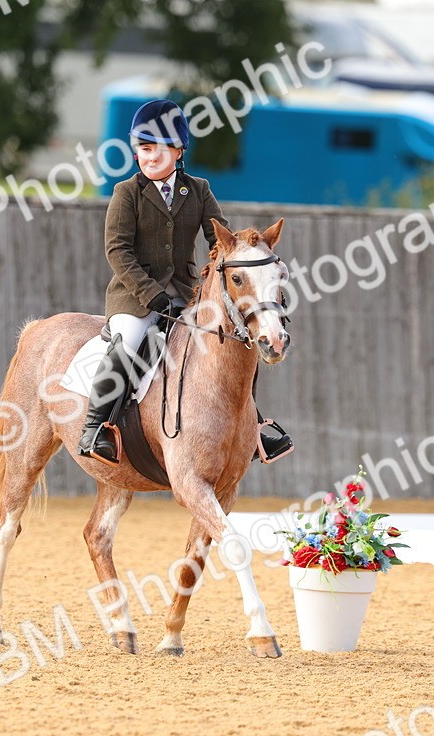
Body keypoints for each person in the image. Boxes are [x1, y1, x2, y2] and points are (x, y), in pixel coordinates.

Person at [77, 99, 294, 465]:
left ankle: (254, 426)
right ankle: (95, 428)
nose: (149, 158)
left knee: (234, 344)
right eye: (143, 149)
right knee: (128, 341)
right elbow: (117, 251)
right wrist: (150, 293)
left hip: (186, 297)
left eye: (157, 151)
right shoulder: (126, 193)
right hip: (135, 299)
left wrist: (238, 263)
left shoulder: (198, 190)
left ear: (178, 152)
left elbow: (219, 242)